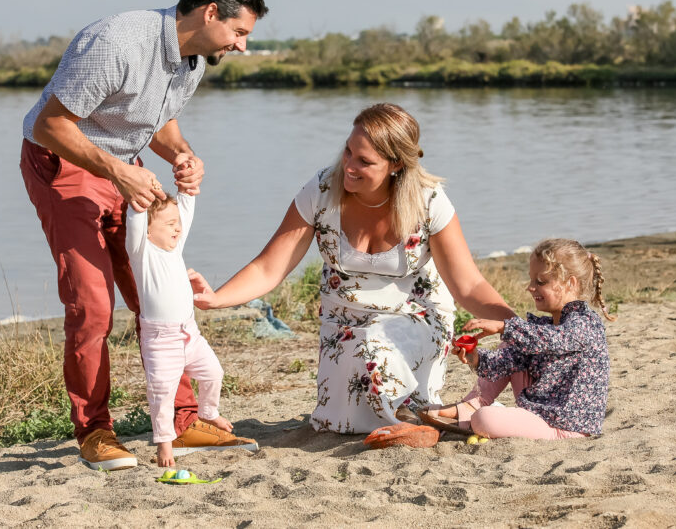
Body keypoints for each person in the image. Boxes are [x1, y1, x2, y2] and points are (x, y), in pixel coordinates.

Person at [19, 0, 267, 470]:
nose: (242, 46)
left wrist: (180, 154)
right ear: (210, 12)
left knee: (159, 294)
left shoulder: (193, 61)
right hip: (64, 162)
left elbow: (156, 119)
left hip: (122, 166)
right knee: (92, 305)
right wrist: (119, 172)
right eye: (239, 32)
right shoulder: (116, 42)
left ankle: (183, 420)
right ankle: (95, 432)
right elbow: (50, 124)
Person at [189, 103, 516, 433]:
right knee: (340, 424)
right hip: (343, 324)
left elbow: (469, 286)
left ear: (396, 164)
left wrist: (519, 326)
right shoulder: (320, 191)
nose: (348, 166)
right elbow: (269, 267)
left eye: (364, 161)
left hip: (415, 318)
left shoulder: (428, 201)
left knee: (376, 348)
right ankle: (427, 417)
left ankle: (417, 425)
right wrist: (216, 299)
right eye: (348, 152)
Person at [424, 238, 613, 440]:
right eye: (531, 280)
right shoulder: (545, 327)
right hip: (540, 413)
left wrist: (505, 326)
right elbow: (506, 363)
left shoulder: (585, 323)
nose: (530, 287)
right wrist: (476, 357)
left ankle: (477, 413)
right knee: (515, 343)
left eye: (541, 282)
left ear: (570, 283)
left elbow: (555, 340)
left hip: (565, 426)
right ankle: (472, 404)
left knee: (484, 419)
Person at [126, 188, 259, 467]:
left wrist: (186, 189)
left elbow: (185, 209)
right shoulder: (142, 251)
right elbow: (136, 219)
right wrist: (138, 202)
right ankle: (164, 443)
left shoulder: (176, 247)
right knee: (162, 393)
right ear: (148, 231)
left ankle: (208, 412)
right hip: (161, 340)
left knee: (213, 372)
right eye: (169, 224)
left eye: (178, 223)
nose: (178, 228)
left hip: (190, 333)